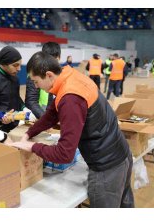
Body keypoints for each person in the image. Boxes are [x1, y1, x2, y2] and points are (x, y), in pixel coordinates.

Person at [8, 51, 134, 208]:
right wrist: (29, 133)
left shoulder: (70, 99)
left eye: (35, 81)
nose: (35, 86)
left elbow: (64, 154)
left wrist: (32, 146)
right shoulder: (69, 76)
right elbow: (52, 115)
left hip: (107, 166)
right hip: (120, 152)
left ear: (48, 75)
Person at [0, 46, 30, 133]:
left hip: (15, 125)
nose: (19, 69)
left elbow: (16, 97)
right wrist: (2, 115)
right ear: (4, 64)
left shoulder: (14, 77)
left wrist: (24, 108)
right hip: (0, 128)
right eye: (15, 65)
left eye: (20, 65)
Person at [25, 41, 58, 119]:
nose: (51, 64)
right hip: (39, 115)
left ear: (58, 57)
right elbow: (31, 101)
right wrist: (45, 118)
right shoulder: (34, 74)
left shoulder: (59, 74)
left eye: (54, 60)